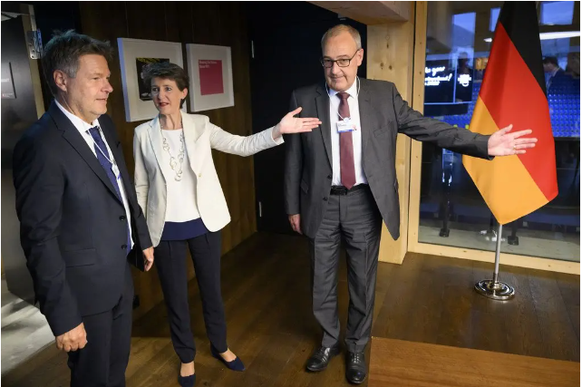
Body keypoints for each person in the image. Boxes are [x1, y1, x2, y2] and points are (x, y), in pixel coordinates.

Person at [283, 24, 538, 385]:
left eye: (342, 60)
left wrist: (483, 143)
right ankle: (327, 342)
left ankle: (356, 346)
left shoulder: (383, 95)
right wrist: (292, 205)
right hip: (319, 205)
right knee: (320, 281)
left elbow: (429, 128)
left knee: (362, 281)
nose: (335, 70)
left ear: (359, 58)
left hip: (363, 203)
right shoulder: (303, 96)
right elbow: (293, 158)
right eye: (327, 62)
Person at [133, 62, 321, 387]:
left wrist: (278, 130)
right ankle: (186, 356)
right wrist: (143, 237)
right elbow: (140, 187)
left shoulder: (202, 126)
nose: (160, 95)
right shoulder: (142, 134)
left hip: (205, 224)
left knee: (212, 291)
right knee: (175, 297)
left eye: (167, 88)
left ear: (183, 93)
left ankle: (220, 346)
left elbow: (241, 145)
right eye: (155, 89)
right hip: (164, 229)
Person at [12, 30, 154, 387]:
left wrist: (142, 237)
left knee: (115, 369)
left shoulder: (102, 123)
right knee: (92, 378)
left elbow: (122, 186)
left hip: (118, 275)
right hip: (82, 293)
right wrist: (63, 317)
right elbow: (39, 238)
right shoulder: (41, 146)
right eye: (96, 79)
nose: (108, 87)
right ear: (61, 79)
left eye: (107, 78)